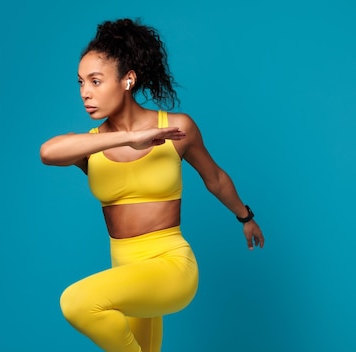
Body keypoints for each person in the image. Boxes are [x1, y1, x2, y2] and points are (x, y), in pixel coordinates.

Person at [39, 18, 264, 352]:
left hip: (170, 266)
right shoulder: (90, 146)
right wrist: (128, 138)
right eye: (81, 82)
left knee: (77, 302)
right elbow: (48, 152)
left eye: (96, 81)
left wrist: (245, 217)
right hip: (128, 274)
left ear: (128, 79)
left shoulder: (175, 128)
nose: (85, 92)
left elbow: (214, 178)